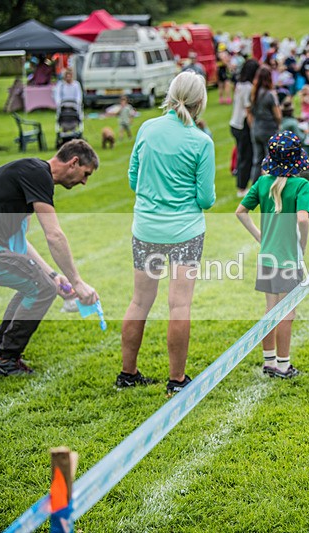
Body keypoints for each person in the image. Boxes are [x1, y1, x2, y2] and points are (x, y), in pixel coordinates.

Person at [118, 71, 216, 395]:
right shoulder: (201, 142)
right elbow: (206, 199)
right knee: (179, 305)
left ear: (170, 96)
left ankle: (128, 373)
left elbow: (133, 180)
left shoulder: (147, 128)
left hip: (146, 228)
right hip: (185, 231)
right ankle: (176, 380)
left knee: (139, 301)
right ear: (200, 101)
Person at [0, 140, 99, 376]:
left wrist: (54, 275)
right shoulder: (38, 174)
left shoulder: (31, 176)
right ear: (73, 162)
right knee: (40, 287)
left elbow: (21, 244)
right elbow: (54, 235)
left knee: (37, 282)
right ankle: (5, 359)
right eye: (86, 174)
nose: (84, 182)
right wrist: (77, 282)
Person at [236, 131, 309, 378]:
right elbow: (303, 219)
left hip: (267, 257)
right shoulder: (300, 185)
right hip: (289, 258)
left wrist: (261, 237)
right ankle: (283, 365)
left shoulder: (262, 183)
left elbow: (240, 212)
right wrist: (302, 245)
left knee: (270, 310)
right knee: (288, 312)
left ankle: (269, 361)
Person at [248, 65, 282, 187]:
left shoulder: (253, 94)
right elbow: (277, 115)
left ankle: (255, 187)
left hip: (256, 129)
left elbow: (250, 113)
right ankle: (270, 186)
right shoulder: (270, 95)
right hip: (269, 130)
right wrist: (278, 124)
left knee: (257, 160)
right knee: (270, 160)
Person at [231, 59, 260, 197]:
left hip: (234, 123)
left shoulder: (239, 84)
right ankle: (242, 188)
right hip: (242, 125)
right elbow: (248, 110)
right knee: (246, 157)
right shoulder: (247, 87)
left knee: (242, 155)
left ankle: (241, 184)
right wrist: (253, 127)